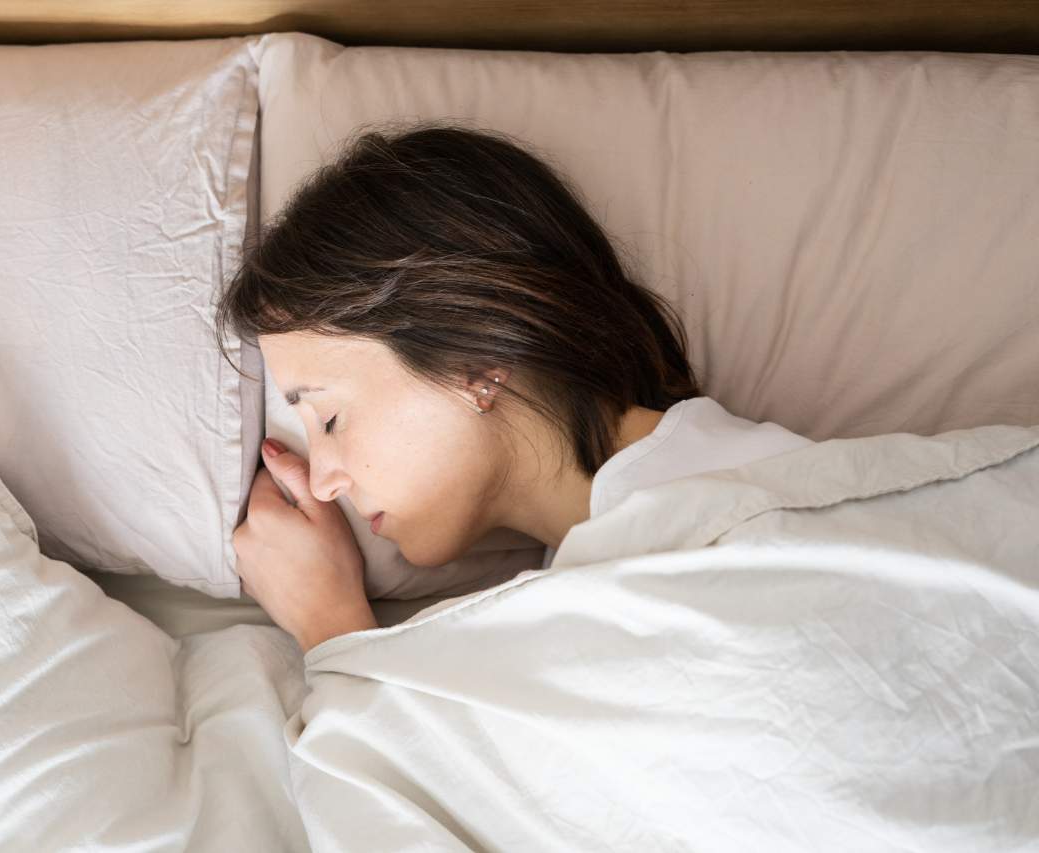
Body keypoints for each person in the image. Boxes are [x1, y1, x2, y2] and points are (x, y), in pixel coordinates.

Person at [214, 122, 813, 654]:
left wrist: (330, 626)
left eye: (331, 418)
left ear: (476, 359)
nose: (323, 481)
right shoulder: (598, 569)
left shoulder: (729, 531)